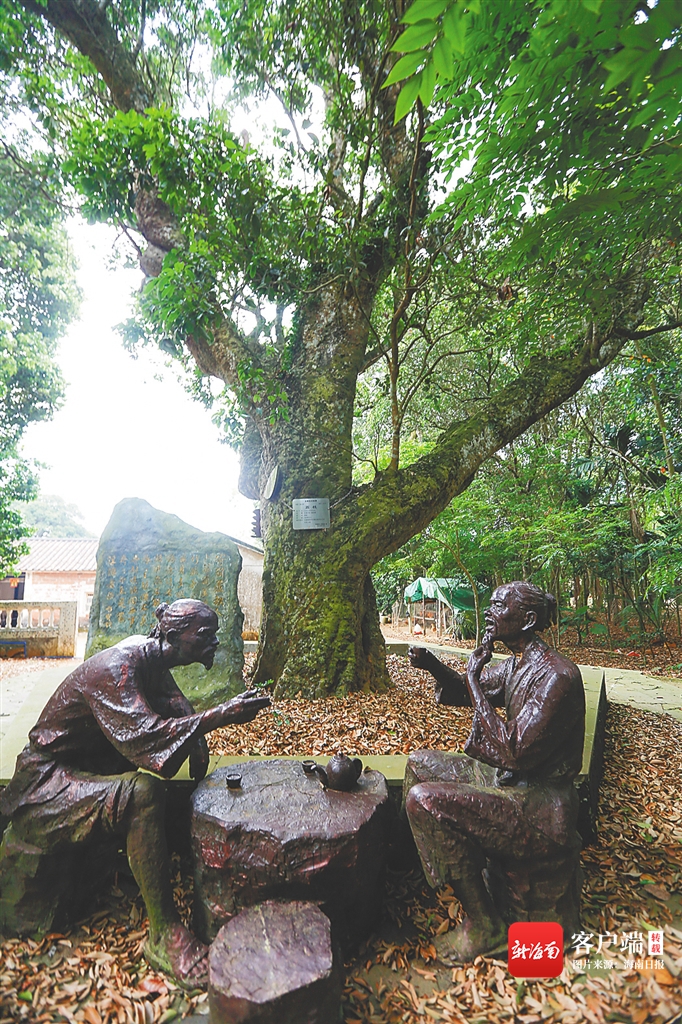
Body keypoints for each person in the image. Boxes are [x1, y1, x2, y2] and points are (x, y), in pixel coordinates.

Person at [0, 599, 270, 985]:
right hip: (45, 786)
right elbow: (147, 740)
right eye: (205, 635)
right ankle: (164, 936)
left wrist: (196, 738)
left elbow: (173, 703)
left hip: (84, 770)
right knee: (143, 793)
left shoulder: (151, 657)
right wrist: (219, 716)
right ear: (174, 636)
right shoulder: (118, 668)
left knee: (165, 789)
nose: (215, 643)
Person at [405, 581, 585, 962]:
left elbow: (514, 750)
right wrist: (433, 664)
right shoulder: (517, 664)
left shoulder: (558, 677)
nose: (489, 612)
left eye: (500, 606)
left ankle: (485, 924)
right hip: (513, 781)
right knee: (419, 764)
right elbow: (466, 691)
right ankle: (450, 879)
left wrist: (473, 679)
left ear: (528, 619)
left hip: (539, 805)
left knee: (424, 800)